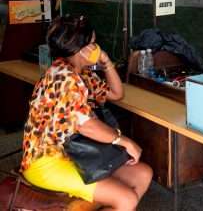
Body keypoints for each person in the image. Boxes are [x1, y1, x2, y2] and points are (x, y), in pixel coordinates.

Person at [20, 15, 152, 211]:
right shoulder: (65, 78)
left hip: (77, 153)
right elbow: (85, 124)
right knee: (126, 199)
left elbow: (116, 94)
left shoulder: (81, 73)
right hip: (46, 162)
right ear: (80, 49)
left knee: (143, 174)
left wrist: (106, 62)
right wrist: (123, 140)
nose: (96, 47)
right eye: (93, 43)